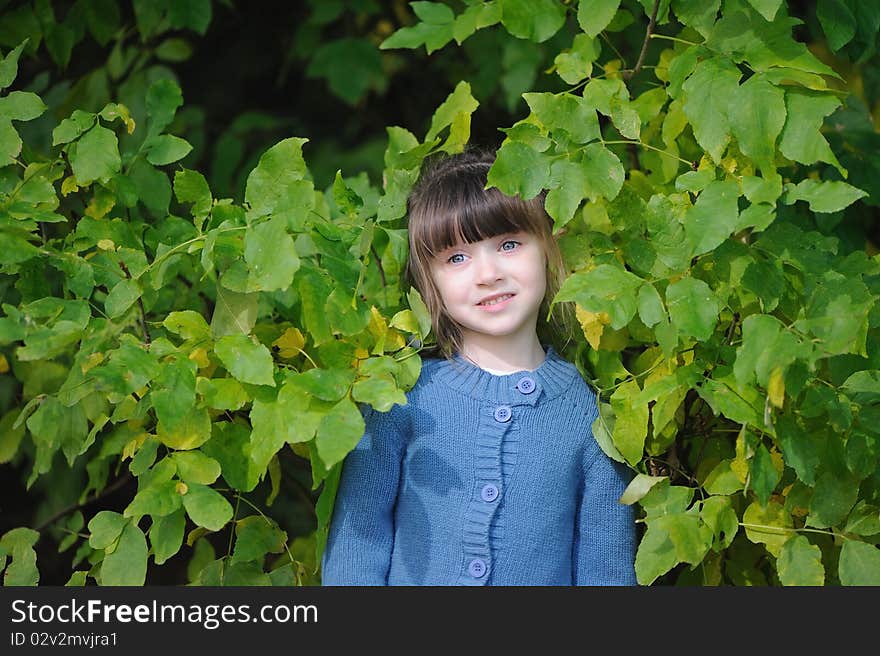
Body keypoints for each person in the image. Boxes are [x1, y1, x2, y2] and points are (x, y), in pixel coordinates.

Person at [321, 148, 638, 585]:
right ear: (427, 280)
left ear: (548, 245)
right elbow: (358, 546)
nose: (487, 273)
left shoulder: (590, 415)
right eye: (456, 258)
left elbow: (606, 572)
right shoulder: (401, 398)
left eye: (508, 244)